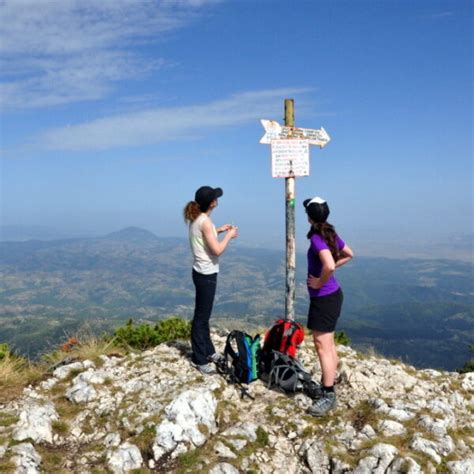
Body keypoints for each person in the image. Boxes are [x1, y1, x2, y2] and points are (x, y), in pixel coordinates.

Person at [303, 197, 354, 416]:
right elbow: (349, 255)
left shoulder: (317, 237)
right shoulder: (330, 233)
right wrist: (328, 273)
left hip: (324, 298)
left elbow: (330, 265)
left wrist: (319, 281)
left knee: (322, 346)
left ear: (310, 217)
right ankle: (329, 384)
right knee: (328, 344)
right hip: (333, 296)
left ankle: (328, 394)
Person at [183, 186, 238, 375]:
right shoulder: (205, 221)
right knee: (201, 318)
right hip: (206, 274)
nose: (217, 199)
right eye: (215, 197)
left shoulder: (197, 217)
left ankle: (208, 351)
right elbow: (217, 250)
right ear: (212, 203)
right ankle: (199, 358)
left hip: (199, 271)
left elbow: (204, 236)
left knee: (204, 315)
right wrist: (229, 236)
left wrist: (220, 230)